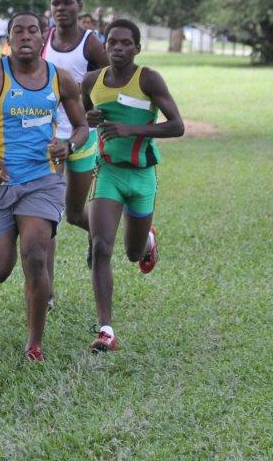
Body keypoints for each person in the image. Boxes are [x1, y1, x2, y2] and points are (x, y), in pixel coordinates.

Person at [0, 12, 88, 362]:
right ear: (8, 39)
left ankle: (34, 344)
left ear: (43, 37)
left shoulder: (60, 79)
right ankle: (8, 234)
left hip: (42, 180)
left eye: (33, 30)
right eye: (18, 31)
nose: (26, 36)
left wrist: (69, 145)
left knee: (35, 254)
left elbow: (81, 127)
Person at [81, 19, 184, 353]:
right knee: (101, 247)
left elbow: (177, 126)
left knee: (131, 253)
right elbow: (83, 116)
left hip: (142, 176)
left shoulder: (148, 79)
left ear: (137, 48)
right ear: (105, 45)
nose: (119, 48)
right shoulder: (91, 82)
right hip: (108, 171)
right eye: (113, 42)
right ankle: (106, 330)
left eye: (126, 43)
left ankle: (147, 239)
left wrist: (133, 129)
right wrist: (87, 119)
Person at [43, 0, 109, 268]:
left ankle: (98, 235)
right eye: (55, 3)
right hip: (49, 137)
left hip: (83, 135)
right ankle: (46, 288)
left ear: (79, 6)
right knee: (48, 214)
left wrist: (96, 111)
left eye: (67, 2)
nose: (61, 8)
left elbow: (111, 80)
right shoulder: (43, 40)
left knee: (73, 214)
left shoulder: (90, 43)